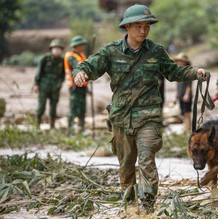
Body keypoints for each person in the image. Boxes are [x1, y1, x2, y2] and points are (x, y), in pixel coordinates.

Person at [72, 4, 209, 214]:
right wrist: (80, 73)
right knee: (126, 165)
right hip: (121, 118)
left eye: (147, 26)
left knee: (146, 160)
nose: (143, 31)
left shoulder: (156, 51)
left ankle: (146, 207)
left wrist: (194, 73)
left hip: (149, 118)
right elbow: (89, 66)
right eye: (138, 26)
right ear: (127, 27)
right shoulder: (111, 51)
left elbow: (173, 72)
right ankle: (129, 206)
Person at [34, 39, 65, 129]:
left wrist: (59, 84)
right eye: (55, 48)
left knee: (53, 108)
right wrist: (36, 84)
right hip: (44, 87)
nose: (57, 49)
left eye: (59, 48)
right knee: (41, 107)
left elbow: (63, 75)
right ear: (51, 48)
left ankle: (52, 126)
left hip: (55, 88)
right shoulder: (45, 59)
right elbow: (39, 72)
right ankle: (37, 127)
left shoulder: (62, 61)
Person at [64, 35, 88, 134]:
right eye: (82, 45)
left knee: (82, 109)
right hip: (75, 88)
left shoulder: (81, 55)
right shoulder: (71, 57)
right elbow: (77, 68)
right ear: (77, 46)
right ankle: (70, 131)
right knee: (73, 109)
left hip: (83, 87)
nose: (83, 47)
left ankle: (81, 130)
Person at [174, 53, 192, 133]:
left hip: (186, 96)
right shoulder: (178, 72)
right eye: (178, 61)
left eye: (181, 61)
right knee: (183, 113)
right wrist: (176, 97)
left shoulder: (188, 71)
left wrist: (187, 94)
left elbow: (189, 85)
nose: (180, 63)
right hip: (181, 96)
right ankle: (186, 128)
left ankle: (188, 129)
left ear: (185, 62)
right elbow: (178, 87)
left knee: (187, 113)